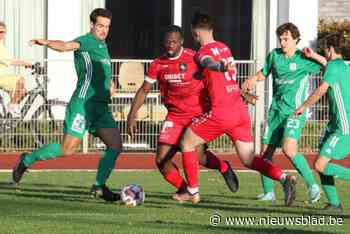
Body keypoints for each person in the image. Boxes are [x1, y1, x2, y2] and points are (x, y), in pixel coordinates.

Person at [175, 12, 297, 206]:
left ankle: (192, 191)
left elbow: (209, 63)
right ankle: (284, 178)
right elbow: (224, 79)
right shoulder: (224, 47)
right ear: (211, 29)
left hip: (221, 113)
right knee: (249, 159)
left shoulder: (201, 54)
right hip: (239, 111)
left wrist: (217, 67)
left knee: (187, 142)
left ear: (195, 33)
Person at [12, 8, 120, 201]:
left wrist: (110, 85)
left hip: (101, 108)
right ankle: (26, 160)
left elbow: (101, 71)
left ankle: (99, 186)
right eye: (100, 26)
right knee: (67, 149)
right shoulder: (86, 41)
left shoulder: (103, 46)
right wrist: (46, 42)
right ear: (92, 26)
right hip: (83, 105)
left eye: (107, 27)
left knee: (115, 145)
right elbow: (65, 46)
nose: (104, 30)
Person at [127, 25, 239, 201]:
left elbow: (217, 79)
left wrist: (237, 93)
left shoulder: (194, 58)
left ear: (181, 42)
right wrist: (131, 115)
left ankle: (223, 167)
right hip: (174, 116)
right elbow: (143, 90)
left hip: (197, 114)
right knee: (161, 160)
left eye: (174, 41)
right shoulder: (158, 64)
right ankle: (185, 189)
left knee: (199, 157)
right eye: (167, 42)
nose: (170, 45)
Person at [242, 23, 326, 203]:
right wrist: (252, 79)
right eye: (280, 38)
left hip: (295, 112)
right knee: (265, 154)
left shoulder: (304, 59)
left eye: (286, 38)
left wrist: (316, 56)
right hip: (275, 112)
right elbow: (263, 74)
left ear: (296, 39)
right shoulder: (274, 55)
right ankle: (269, 192)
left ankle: (312, 186)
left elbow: (327, 68)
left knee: (289, 149)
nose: (282, 42)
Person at [294, 33, 350, 211]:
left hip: (344, 126)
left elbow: (321, 90)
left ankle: (335, 202)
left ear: (330, 49)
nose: (324, 53)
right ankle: (334, 203)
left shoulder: (334, 66)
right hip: (334, 125)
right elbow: (327, 63)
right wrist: (313, 56)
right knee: (321, 163)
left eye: (325, 50)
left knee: (320, 165)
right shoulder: (339, 65)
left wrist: (303, 106)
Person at [0, 21, 32, 118]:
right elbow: (10, 61)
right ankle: (11, 108)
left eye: (2, 32)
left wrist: (26, 64)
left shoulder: (1, 46)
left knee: (23, 91)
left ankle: (9, 119)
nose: (1, 34)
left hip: (3, 77)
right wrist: (27, 64)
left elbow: (11, 60)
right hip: (1, 77)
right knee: (20, 79)